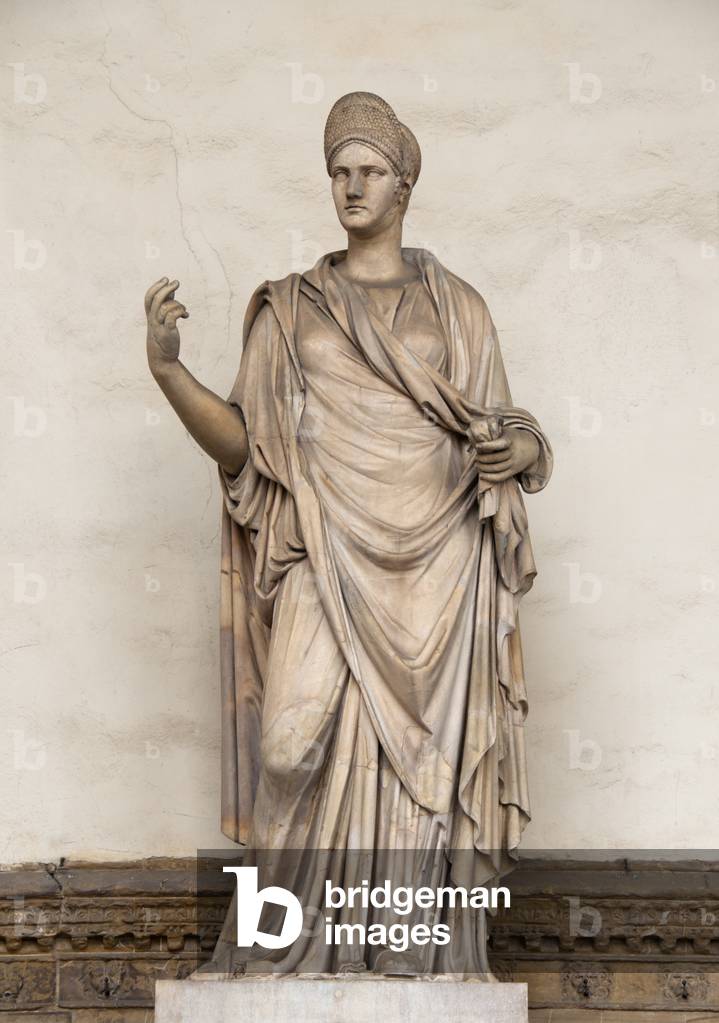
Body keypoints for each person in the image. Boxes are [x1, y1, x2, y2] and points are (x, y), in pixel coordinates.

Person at [145, 91, 552, 977]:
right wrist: (170, 375)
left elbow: (506, 425)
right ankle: (270, 946)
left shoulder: (459, 309)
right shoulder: (290, 309)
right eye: (338, 171)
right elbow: (246, 447)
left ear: (404, 186)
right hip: (322, 548)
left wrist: (517, 447)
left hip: (439, 561)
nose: (349, 186)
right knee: (289, 745)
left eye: (368, 171)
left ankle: (410, 957)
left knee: (425, 769)